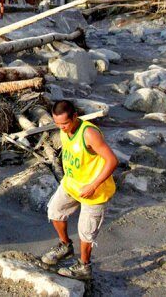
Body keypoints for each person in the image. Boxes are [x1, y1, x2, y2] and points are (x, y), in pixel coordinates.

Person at [41, 100, 118, 280]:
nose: (61, 128)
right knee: (54, 211)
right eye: (57, 124)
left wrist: (93, 185)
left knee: (86, 231)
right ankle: (65, 246)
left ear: (75, 116)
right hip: (72, 183)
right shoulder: (64, 128)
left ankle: (84, 266)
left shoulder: (89, 134)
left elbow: (112, 161)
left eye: (65, 124)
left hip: (94, 190)